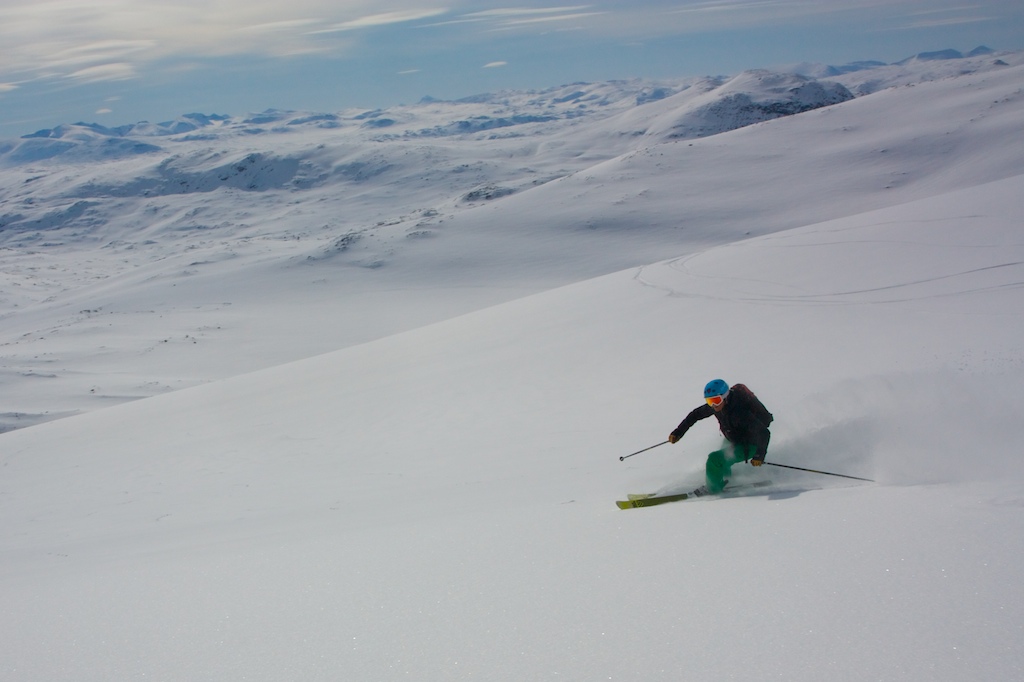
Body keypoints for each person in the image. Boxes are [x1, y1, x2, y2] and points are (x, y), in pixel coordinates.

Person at [668, 379, 773, 494]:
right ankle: (727, 479)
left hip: (752, 445)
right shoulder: (719, 406)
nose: (713, 405)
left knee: (715, 459)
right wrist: (678, 432)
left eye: (716, 400)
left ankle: (713, 489)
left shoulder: (739, 413)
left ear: (725, 396)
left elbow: (764, 433)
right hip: (735, 438)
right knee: (722, 456)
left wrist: (759, 455)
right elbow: (695, 415)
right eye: (709, 401)